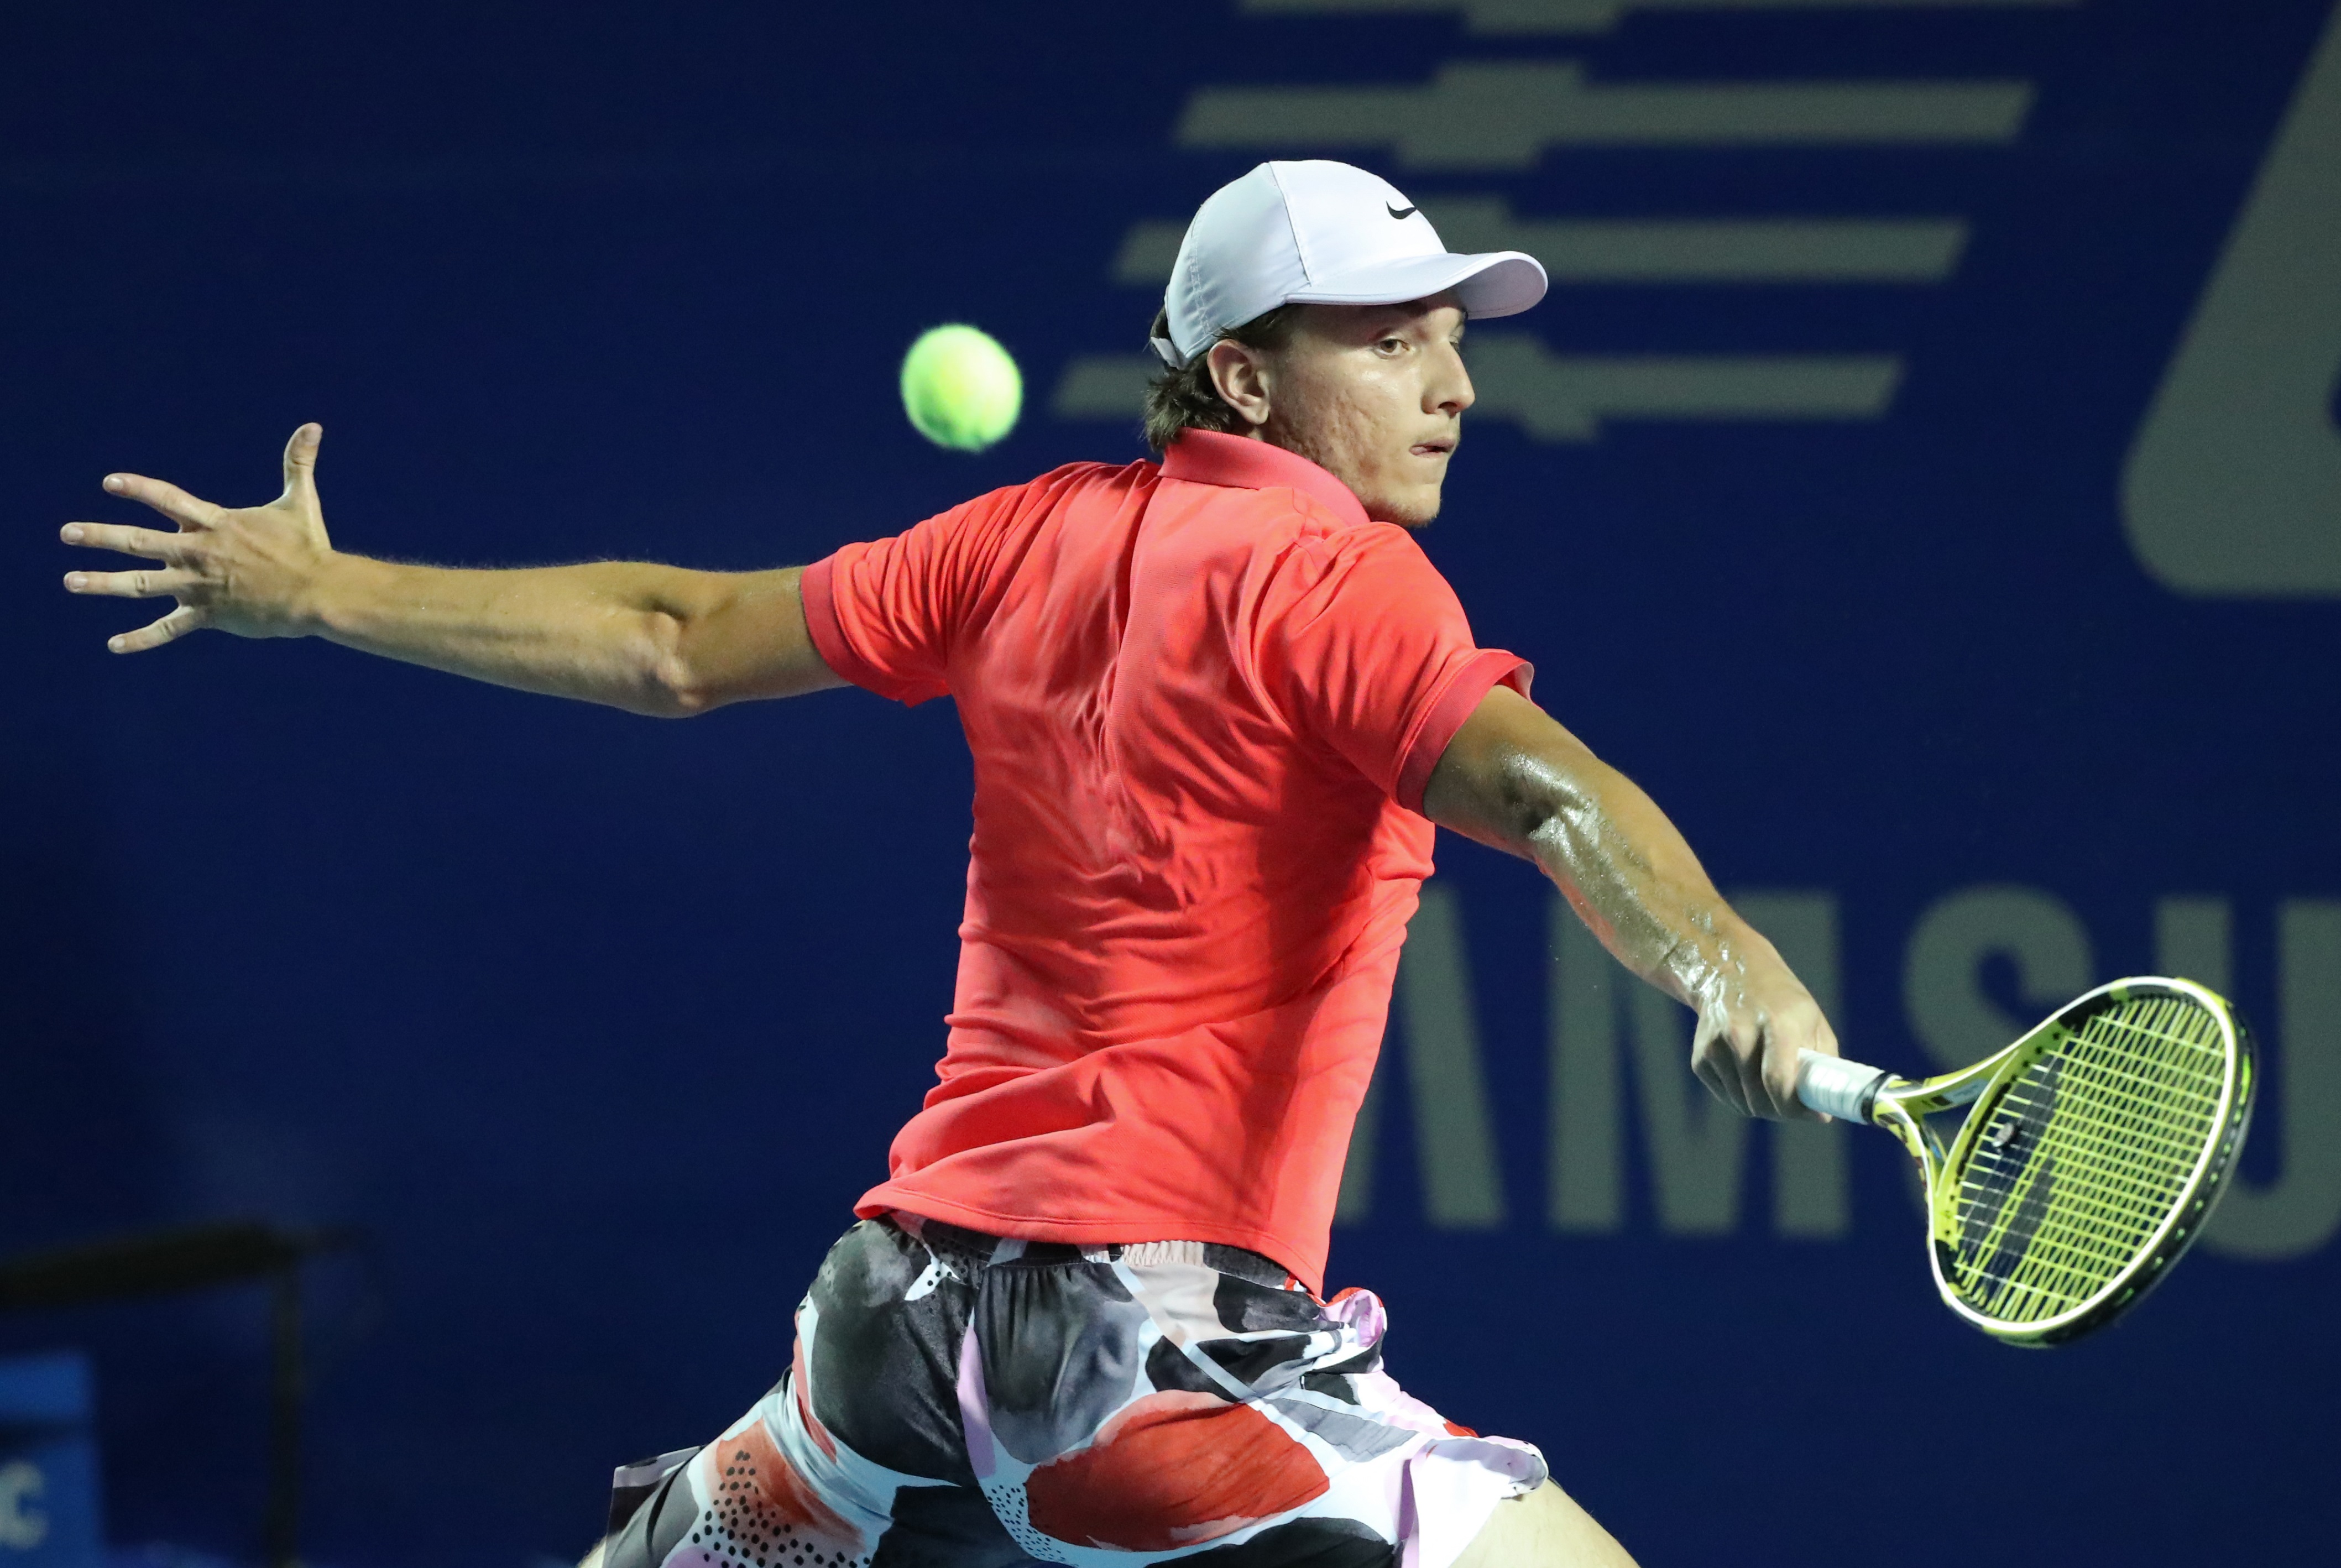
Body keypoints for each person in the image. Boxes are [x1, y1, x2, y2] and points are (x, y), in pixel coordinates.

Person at [59, 160, 1837, 1568]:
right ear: (1241, 375)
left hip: (889, 1342)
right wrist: (1724, 961)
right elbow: (1542, 790)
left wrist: (319, 590)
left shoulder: (1019, 536)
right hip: (1144, 1373)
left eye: (1450, 336)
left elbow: (674, 640)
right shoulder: (1339, 579)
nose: (1448, 384)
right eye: (1383, 342)